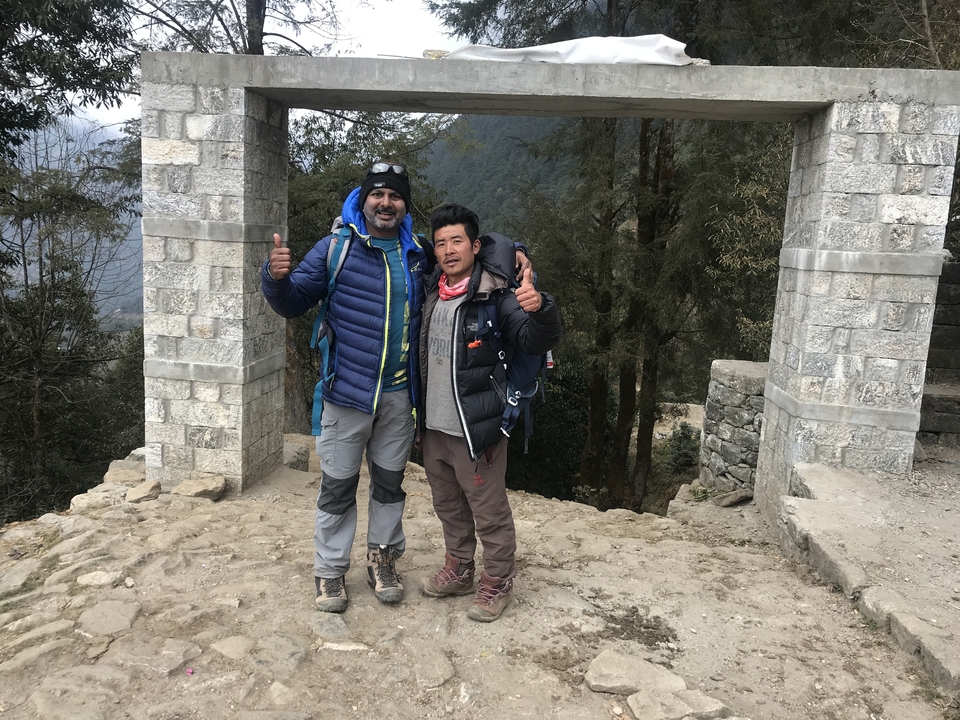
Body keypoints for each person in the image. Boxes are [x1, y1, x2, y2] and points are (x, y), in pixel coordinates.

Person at [261, 164, 530, 614]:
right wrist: (274, 277)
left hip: (398, 397)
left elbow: (468, 248)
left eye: (395, 197)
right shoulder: (335, 249)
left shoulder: (417, 254)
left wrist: (518, 251)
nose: (385, 204)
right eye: (377, 195)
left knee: (390, 486)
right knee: (337, 488)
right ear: (363, 200)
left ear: (404, 206)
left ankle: (382, 560)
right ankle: (330, 572)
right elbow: (292, 303)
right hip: (346, 394)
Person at [417, 204, 562, 622]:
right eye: (441, 243)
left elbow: (533, 340)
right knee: (448, 506)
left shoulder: (496, 295)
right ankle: (460, 569)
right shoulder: (431, 291)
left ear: (475, 246)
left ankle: (498, 580)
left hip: (477, 429)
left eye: (457, 241)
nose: (448, 250)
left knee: (489, 511)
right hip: (434, 426)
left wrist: (540, 308)